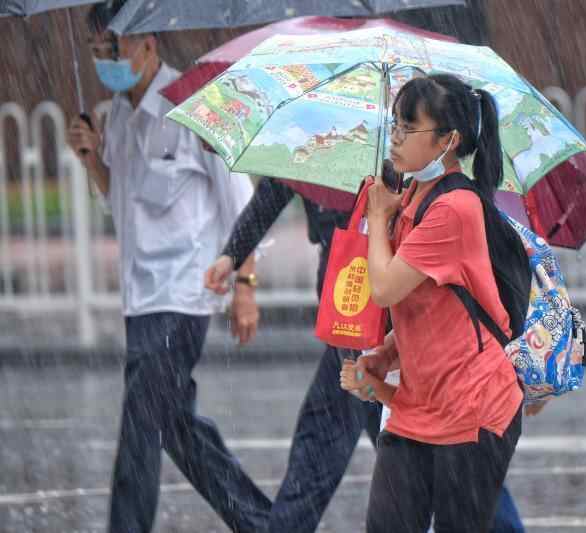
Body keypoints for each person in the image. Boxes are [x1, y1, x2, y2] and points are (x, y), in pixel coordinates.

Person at [205, 174, 526, 532]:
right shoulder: (316, 152)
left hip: (393, 328)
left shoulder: (407, 166)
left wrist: (380, 215)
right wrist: (233, 255)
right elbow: (274, 189)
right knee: (326, 444)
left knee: (440, 453)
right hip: (350, 318)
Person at [66, 3, 271, 532]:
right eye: (96, 51)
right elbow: (122, 203)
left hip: (184, 294)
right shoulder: (115, 116)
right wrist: (92, 159)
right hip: (140, 297)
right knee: (174, 425)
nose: (105, 61)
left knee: (140, 426)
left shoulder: (196, 105)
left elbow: (241, 203)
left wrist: (246, 286)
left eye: (113, 49)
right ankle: (264, 524)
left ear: (148, 45)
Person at [344, 73, 525, 533]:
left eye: (409, 128)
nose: (396, 137)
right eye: (395, 125)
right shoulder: (412, 196)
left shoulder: (454, 208)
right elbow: (429, 307)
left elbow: (385, 289)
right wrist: (384, 355)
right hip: (417, 406)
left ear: (448, 141)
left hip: (473, 407)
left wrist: (378, 219)